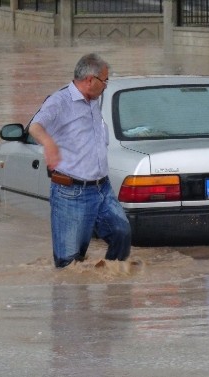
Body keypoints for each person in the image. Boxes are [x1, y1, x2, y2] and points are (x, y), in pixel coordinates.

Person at [28, 53, 131, 268]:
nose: (106, 86)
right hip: (71, 192)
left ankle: (112, 288)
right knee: (69, 263)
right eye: (104, 81)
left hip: (102, 188)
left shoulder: (94, 100)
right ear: (90, 80)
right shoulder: (59, 101)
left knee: (121, 232)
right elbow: (35, 127)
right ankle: (75, 296)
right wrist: (49, 144)